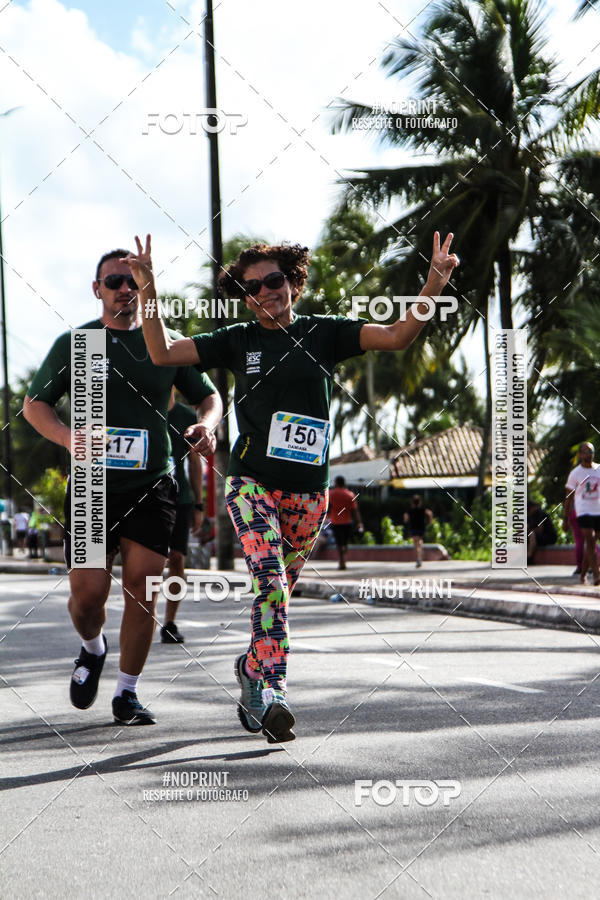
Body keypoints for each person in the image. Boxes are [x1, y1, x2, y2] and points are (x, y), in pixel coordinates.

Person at [131, 230, 459, 742]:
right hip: (251, 484)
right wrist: (148, 286)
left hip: (309, 495)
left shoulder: (325, 334)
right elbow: (162, 351)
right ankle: (274, 692)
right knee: (271, 584)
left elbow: (397, 335)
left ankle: (251, 668)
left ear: (294, 282)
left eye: (274, 280)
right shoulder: (238, 340)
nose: (265, 291)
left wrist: (434, 282)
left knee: (277, 595)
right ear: (245, 298)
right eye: (252, 287)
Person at [23, 247, 222, 725]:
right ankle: (93, 648)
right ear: (97, 290)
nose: (125, 289)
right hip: (92, 486)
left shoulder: (165, 344)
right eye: (115, 281)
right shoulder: (78, 343)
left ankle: (126, 693)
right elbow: (34, 405)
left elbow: (209, 396)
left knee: (142, 587)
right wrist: (68, 438)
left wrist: (207, 424)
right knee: (88, 596)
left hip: (153, 484)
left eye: (134, 280)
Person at [160, 389, 206, 644]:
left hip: (180, 498)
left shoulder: (187, 416)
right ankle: (141, 616)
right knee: (151, 561)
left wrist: (198, 505)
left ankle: (169, 622)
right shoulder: (141, 408)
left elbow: (195, 462)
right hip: (146, 496)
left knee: (177, 558)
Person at [563, 442, 600, 585]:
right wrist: (565, 519)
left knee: (592, 543)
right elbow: (568, 498)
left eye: (590, 452)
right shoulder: (575, 473)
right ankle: (596, 574)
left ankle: (583, 574)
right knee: (589, 540)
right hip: (583, 511)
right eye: (585, 452)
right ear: (579, 455)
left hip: (597, 510)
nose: (588, 454)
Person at [327, 475, 364, 569]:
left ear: (336, 483)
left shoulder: (331, 494)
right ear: (344, 483)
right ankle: (343, 557)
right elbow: (355, 510)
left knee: (339, 542)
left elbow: (327, 508)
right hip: (347, 522)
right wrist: (359, 522)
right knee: (345, 542)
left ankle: (341, 560)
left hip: (335, 522)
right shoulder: (350, 495)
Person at [403, 494, 433, 568]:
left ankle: (419, 559)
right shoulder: (422, 509)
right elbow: (430, 513)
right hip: (421, 528)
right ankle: (421, 552)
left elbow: (405, 518)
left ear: (412, 502)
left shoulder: (410, 511)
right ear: (419, 502)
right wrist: (430, 521)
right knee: (419, 541)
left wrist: (406, 520)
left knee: (416, 544)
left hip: (413, 528)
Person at [526, 500, 557, 565]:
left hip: (549, 537)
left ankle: (529, 557)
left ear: (532, 508)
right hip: (539, 537)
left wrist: (529, 529)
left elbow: (539, 529)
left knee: (532, 534)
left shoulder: (540, 514)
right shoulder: (530, 516)